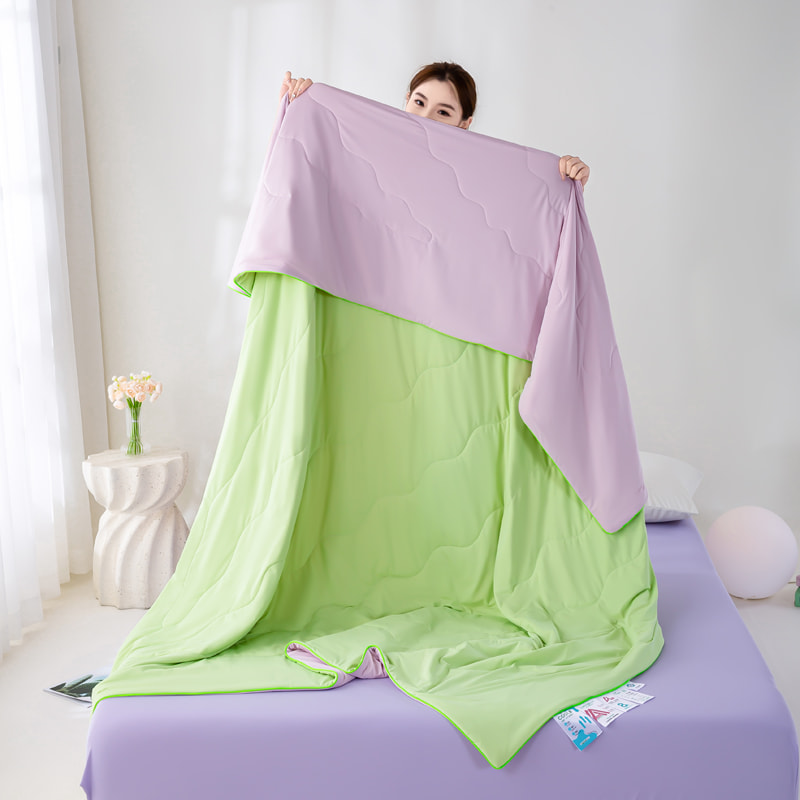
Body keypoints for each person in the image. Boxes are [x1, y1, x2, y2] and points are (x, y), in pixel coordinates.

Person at [279, 62, 591, 187]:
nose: (425, 118)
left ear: (464, 123)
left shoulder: (480, 176)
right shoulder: (364, 146)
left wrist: (562, 181)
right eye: (419, 102)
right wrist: (298, 109)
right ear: (406, 100)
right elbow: (309, 172)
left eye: (443, 112)